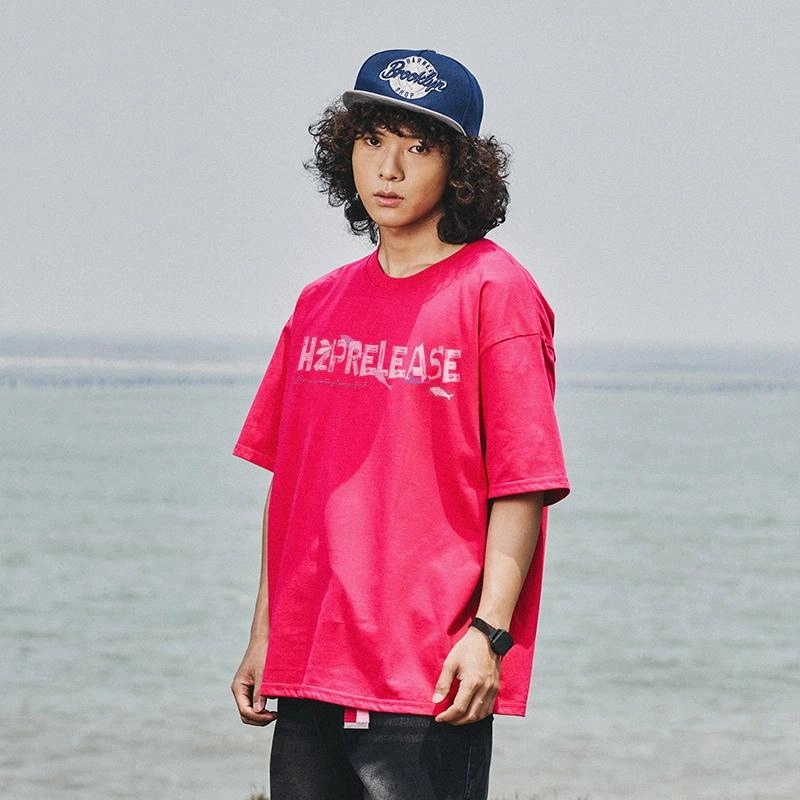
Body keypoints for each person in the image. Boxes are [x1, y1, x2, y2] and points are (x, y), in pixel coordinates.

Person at [230, 48, 569, 800]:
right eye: (373, 140)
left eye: (419, 148)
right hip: (309, 671)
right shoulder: (319, 303)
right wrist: (265, 637)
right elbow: (293, 487)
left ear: (460, 168)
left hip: (429, 677)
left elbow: (523, 484)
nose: (389, 168)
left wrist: (488, 635)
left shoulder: (496, 293)